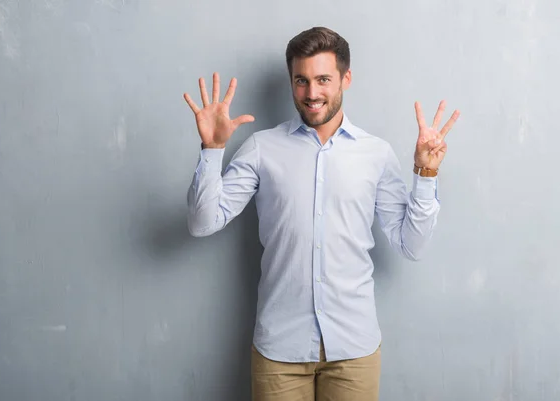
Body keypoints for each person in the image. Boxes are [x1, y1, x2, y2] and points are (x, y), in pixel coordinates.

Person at [184, 26, 460, 401]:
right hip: (279, 350)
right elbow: (202, 223)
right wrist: (212, 149)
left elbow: (412, 245)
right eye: (302, 80)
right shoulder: (261, 148)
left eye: (323, 79)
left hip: (354, 350)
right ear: (291, 81)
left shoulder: (376, 154)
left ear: (346, 78)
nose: (312, 93)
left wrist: (425, 174)